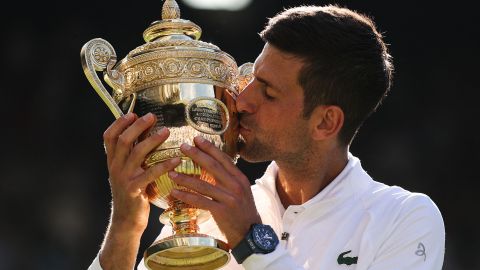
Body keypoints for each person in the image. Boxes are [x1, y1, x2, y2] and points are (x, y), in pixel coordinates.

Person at [88, 4, 445, 270]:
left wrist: (251, 241)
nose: (241, 101)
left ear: (325, 123)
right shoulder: (208, 214)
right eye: (252, 79)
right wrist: (125, 227)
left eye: (269, 93)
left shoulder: (404, 219)